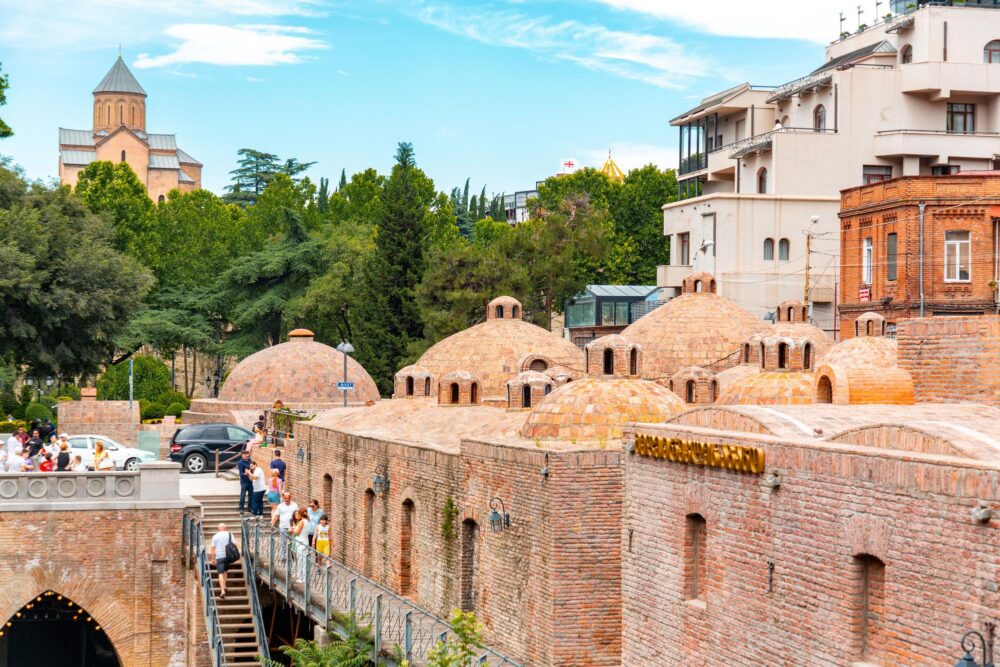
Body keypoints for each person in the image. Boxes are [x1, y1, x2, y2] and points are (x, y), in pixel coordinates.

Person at [209, 523, 234, 599]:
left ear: (218, 529)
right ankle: (225, 585)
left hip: (219, 557)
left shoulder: (215, 536)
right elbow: (235, 544)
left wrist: (213, 559)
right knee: (225, 571)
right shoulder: (230, 535)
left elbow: (212, 548)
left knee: (220, 573)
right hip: (228, 556)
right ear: (226, 528)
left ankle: (222, 590)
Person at [291, 508, 310, 581]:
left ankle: (301, 578)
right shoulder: (307, 521)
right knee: (304, 560)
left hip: (300, 542)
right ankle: (304, 577)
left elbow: (297, 533)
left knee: (300, 560)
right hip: (306, 541)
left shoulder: (302, 522)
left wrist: (293, 530)